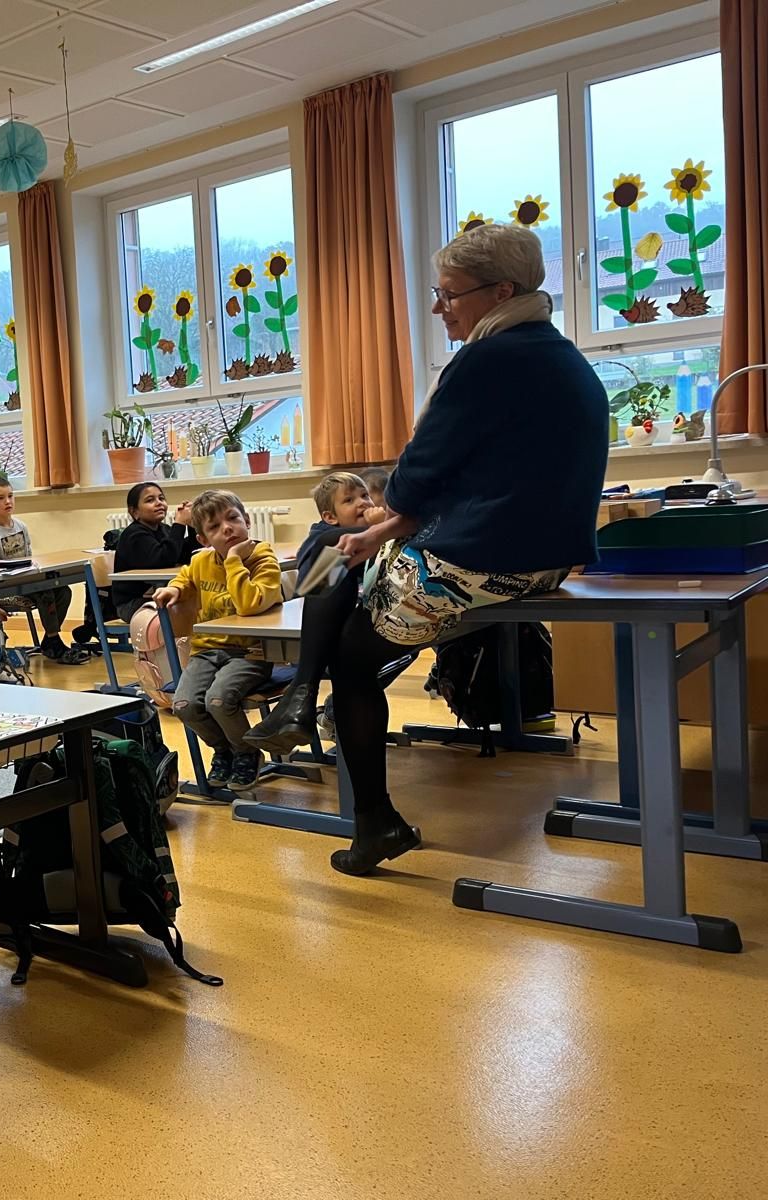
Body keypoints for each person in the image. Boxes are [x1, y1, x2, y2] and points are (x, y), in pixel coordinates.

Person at [273, 223, 607, 876]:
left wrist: (393, 515)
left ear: (501, 291)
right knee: (348, 554)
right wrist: (385, 528)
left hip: (486, 562)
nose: (438, 308)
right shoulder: (562, 356)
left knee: (350, 652)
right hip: (544, 559)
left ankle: (371, 816)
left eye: (449, 294)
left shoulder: (485, 360)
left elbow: (411, 480)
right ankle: (300, 701)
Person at [151, 489, 283, 793]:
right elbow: (186, 576)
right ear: (203, 539)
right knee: (183, 705)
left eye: (233, 518)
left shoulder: (263, 559)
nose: (227, 528)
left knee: (218, 701)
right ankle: (225, 750)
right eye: (214, 527)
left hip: (250, 652)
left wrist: (234, 561)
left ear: (247, 521)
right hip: (207, 651)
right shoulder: (202, 561)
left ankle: (247, 753)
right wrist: (174, 588)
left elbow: (249, 604)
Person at [243, 472, 374, 757]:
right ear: (330, 517)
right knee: (334, 553)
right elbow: (318, 579)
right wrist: (381, 527)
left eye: (365, 495)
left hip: (361, 630)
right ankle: (308, 698)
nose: (363, 503)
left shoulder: (370, 537)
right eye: (349, 500)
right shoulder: (323, 539)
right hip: (324, 640)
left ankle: (303, 700)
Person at [0, 475, 87, 664]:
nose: (8, 501)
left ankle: (50, 639)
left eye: (10, 496)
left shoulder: (21, 527)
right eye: (1, 498)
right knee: (45, 593)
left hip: (27, 584)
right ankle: (54, 642)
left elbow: (28, 558)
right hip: (6, 591)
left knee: (63, 591)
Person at [110, 482, 198, 623]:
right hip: (132, 603)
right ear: (135, 512)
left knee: (199, 603)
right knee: (184, 609)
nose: (159, 503)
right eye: (150, 500)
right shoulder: (134, 534)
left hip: (157, 594)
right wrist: (179, 524)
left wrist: (192, 525)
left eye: (161, 498)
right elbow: (164, 559)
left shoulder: (164, 529)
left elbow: (186, 555)